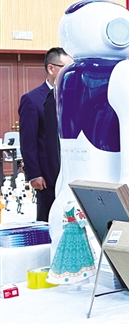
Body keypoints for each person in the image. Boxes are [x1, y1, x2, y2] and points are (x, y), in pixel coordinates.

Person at [19, 47, 72, 221]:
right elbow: (28, 141)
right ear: (51, 68)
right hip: (47, 174)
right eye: (66, 68)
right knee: (48, 219)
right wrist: (34, 174)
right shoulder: (32, 99)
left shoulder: (72, 96)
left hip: (69, 169)